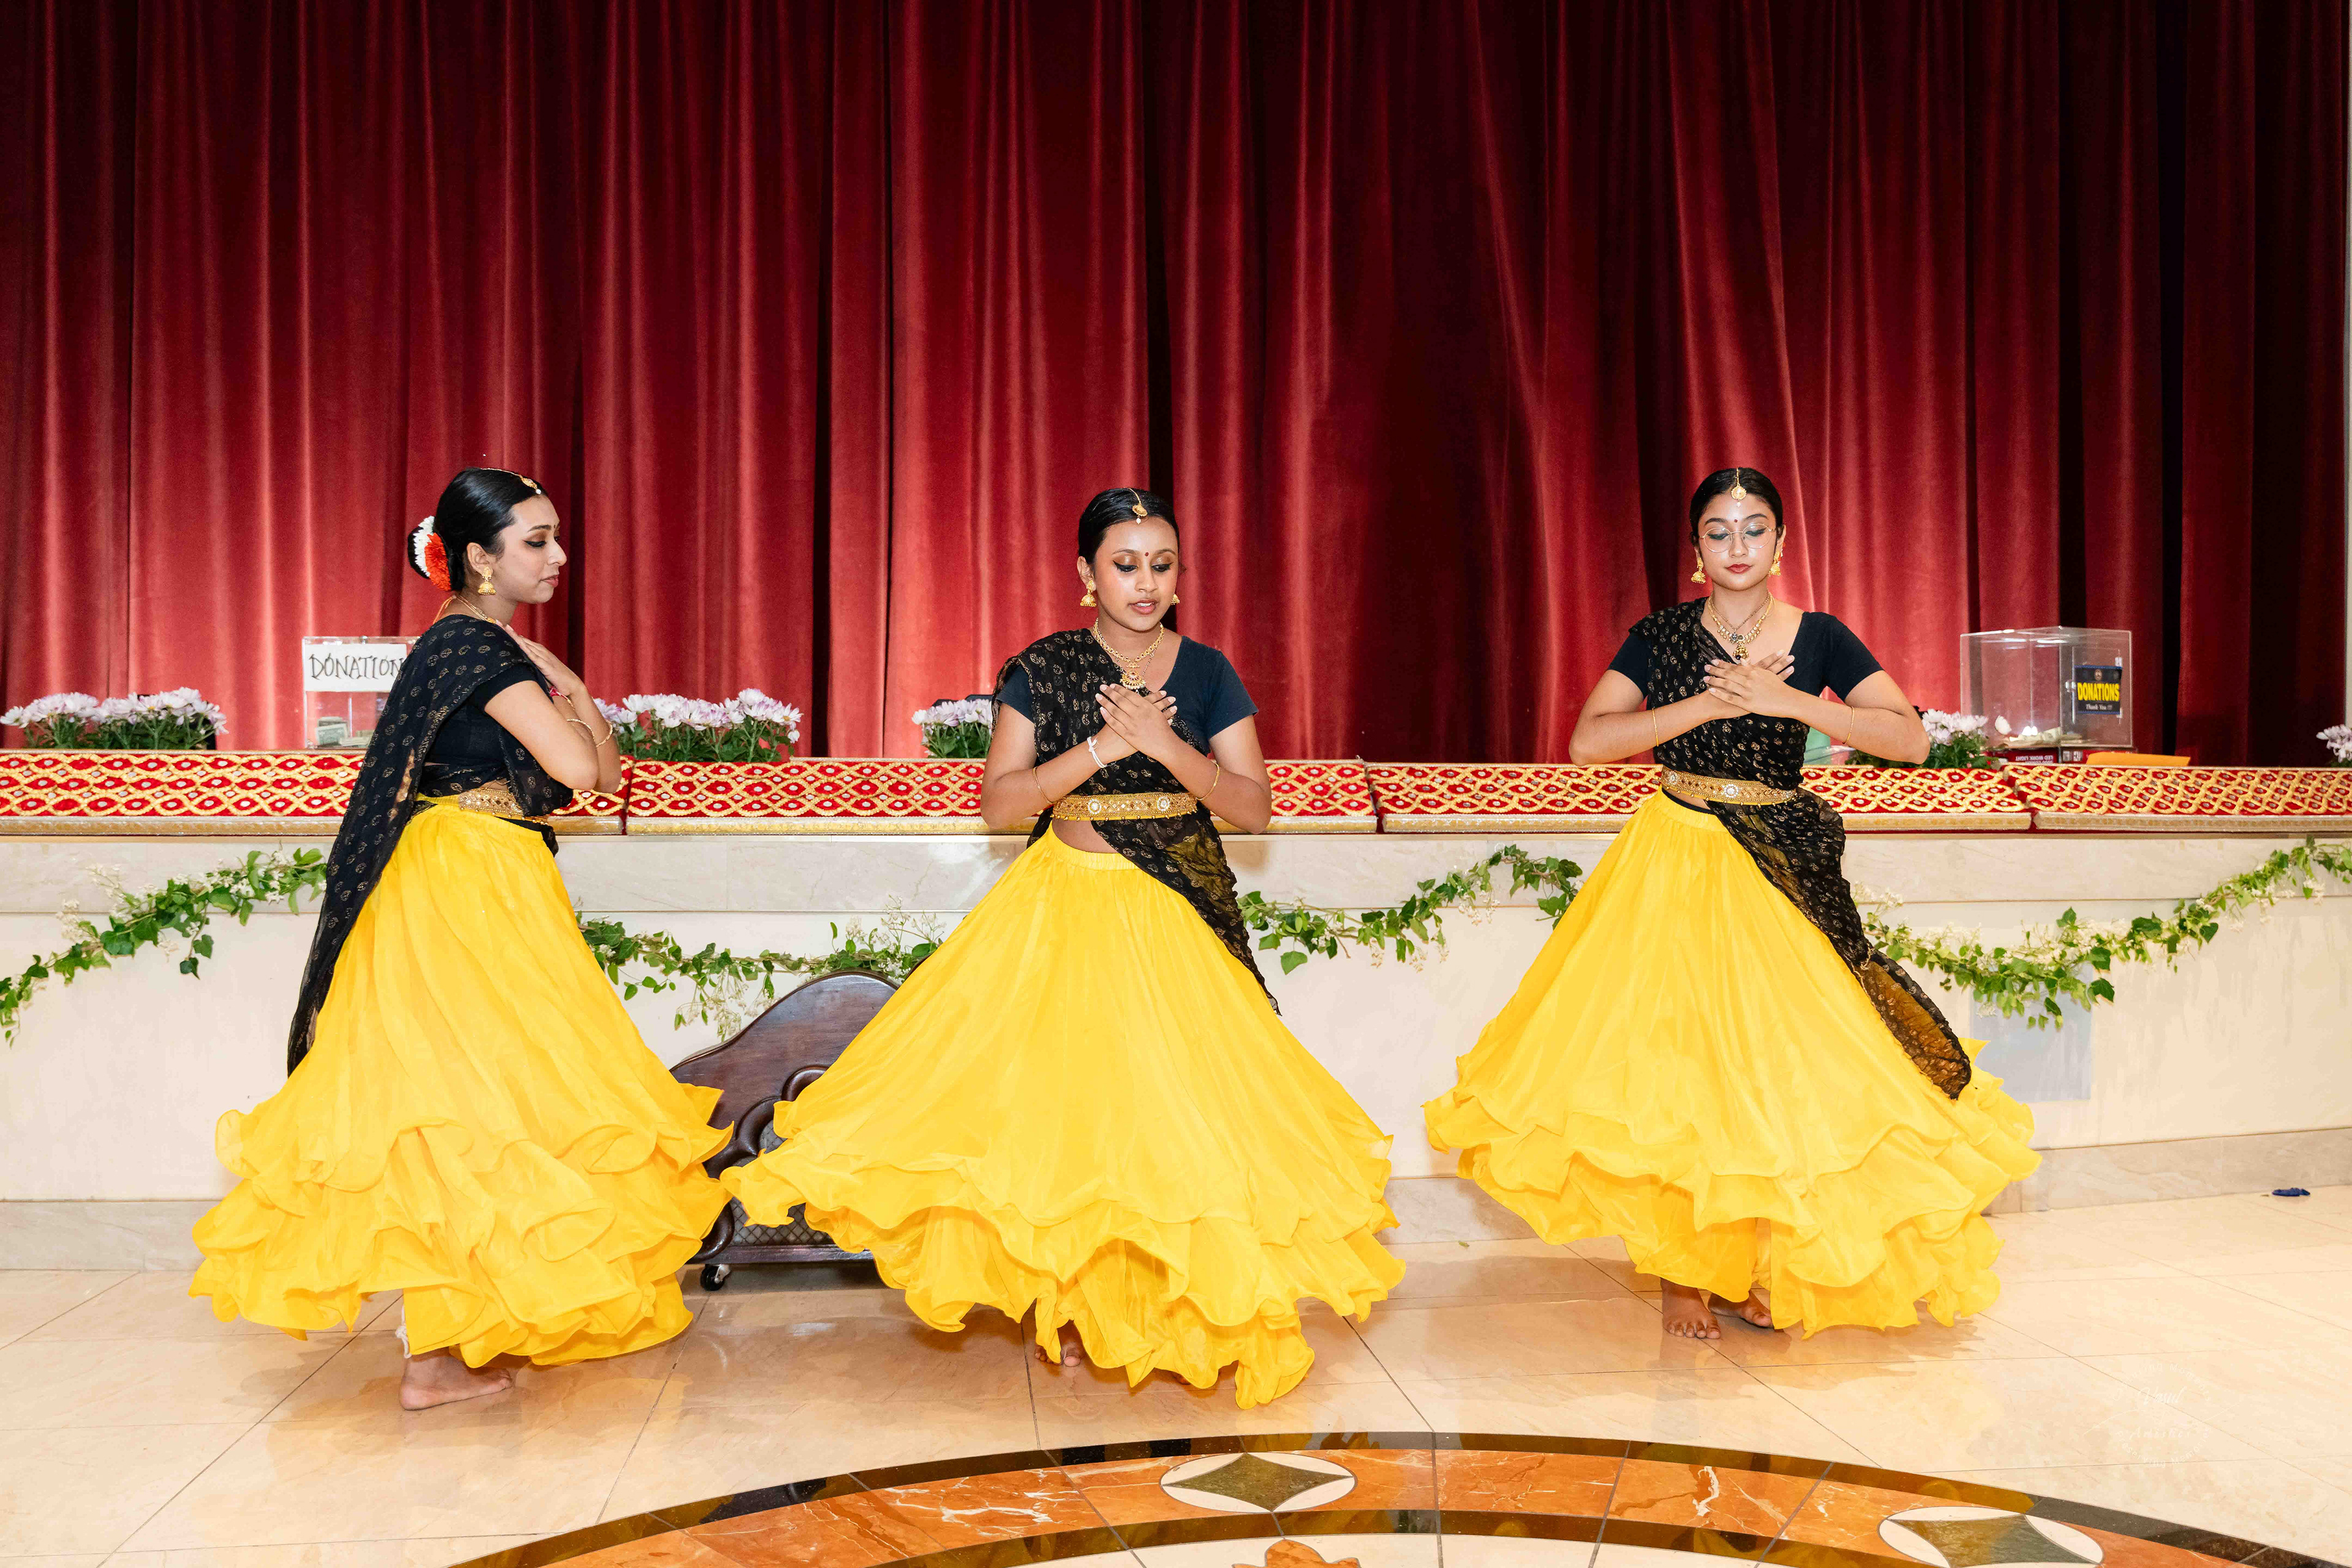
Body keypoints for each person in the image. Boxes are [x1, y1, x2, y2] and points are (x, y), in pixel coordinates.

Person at [722, 487, 1402, 1406]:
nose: (1145, 582)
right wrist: (1098, 749)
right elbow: (1002, 806)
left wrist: (1164, 744)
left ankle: (1169, 1304)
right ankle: (1072, 1308)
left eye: (1162, 565)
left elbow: (1252, 807)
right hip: (1062, 910)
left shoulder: (1208, 672)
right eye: (1125, 564)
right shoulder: (1044, 667)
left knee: (1169, 1118)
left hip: (1170, 915)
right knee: (1067, 1118)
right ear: (1087, 573)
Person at [1425, 467, 2038, 1340]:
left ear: (1781, 543)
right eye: (1719, 531)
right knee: (1680, 1066)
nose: (1737, 545)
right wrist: (1707, 702)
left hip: (1777, 864)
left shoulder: (1820, 637)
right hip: (1675, 858)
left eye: (1754, 529)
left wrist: (1786, 700)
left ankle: (1755, 1266)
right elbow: (1589, 743)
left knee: (1782, 1066)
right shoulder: (1661, 634)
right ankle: (1684, 1274)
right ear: (1696, 549)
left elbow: (1907, 739)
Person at [191, 467, 728, 1408]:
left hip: (486, 875)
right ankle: (437, 1357)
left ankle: (447, 1346)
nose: (559, 557)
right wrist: (561, 688)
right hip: (463, 884)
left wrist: (567, 683)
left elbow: (602, 774)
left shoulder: (478, 646)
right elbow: (581, 768)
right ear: (479, 557)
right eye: (537, 541)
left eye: (556, 537)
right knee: (466, 1110)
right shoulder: (476, 648)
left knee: (473, 1107)